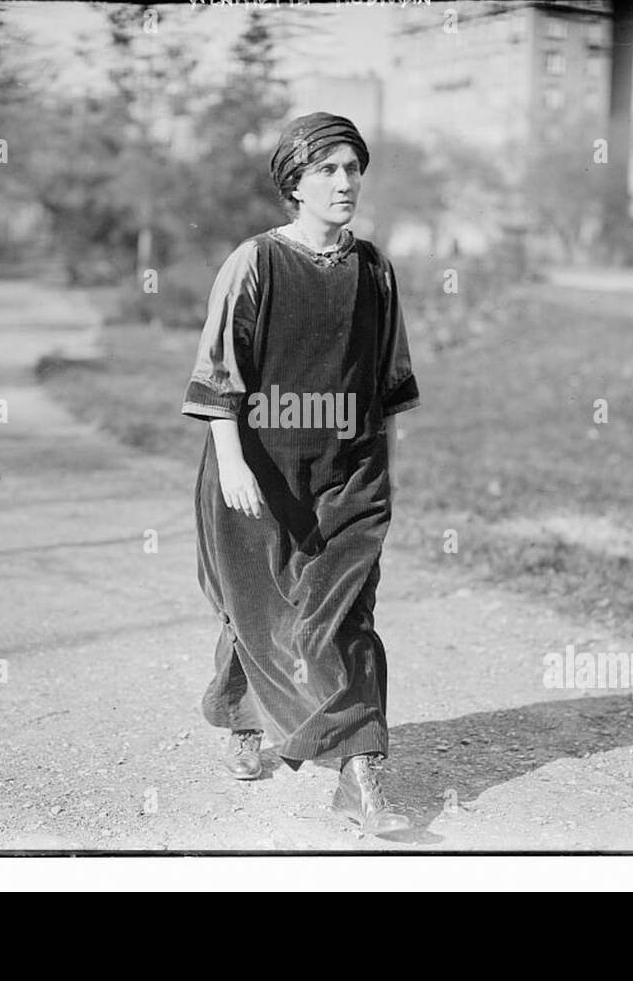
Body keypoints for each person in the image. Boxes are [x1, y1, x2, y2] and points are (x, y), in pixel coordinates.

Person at [180, 112, 420, 837]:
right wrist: (231, 463)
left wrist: (385, 474)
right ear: (295, 182)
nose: (345, 182)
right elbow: (219, 372)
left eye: (353, 169)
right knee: (257, 612)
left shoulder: (374, 270)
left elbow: (389, 382)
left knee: (343, 619)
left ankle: (360, 775)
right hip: (259, 470)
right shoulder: (254, 263)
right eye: (327, 170)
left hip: (350, 474)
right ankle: (243, 716)